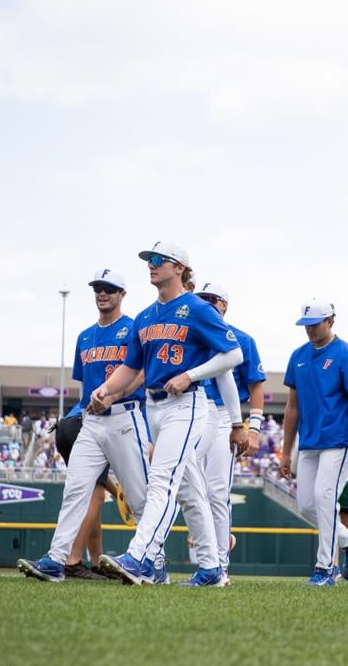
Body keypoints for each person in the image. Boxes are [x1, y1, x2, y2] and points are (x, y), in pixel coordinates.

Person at [94, 242, 247, 587]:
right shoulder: (146, 315)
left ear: (180, 268)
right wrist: (106, 390)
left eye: (158, 260)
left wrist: (191, 375)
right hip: (154, 406)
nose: (151, 264)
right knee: (191, 491)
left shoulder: (196, 307)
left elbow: (233, 355)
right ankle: (210, 569)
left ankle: (140, 557)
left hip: (186, 405)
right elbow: (131, 367)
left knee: (161, 480)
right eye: (149, 259)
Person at [18, 269, 149, 582]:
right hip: (91, 420)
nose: (103, 294)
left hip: (124, 417)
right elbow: (85, 385)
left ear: (123, 294)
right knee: (75, 490)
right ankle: (56, 559)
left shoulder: (133, 328)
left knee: (140, 496)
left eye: (110, 289)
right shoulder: (84, 336)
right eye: (98, 288)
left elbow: (142, 372)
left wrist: (115, 393)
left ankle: (149, 559)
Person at [278, 299, 348, 586]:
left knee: (324, 498)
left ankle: (324, 568)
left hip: (338, 441)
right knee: (306, 506)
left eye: (315, 324)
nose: (310, 330)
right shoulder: (298, 355)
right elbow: (291, 408)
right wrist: (285, 452)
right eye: (306, 325)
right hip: (309, 443)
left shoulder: (347, 354)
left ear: (330, 320)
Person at [195, 282, 266, 584]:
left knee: (217, 491)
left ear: (225, 305)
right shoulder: (193, 335)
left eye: (213, 300)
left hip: (227, 415)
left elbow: (256, 384)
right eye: (203, 299)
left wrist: (254, 427)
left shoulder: (242, 338)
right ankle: (212, 552)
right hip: (197, 411)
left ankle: (220, 563)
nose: (208, 304)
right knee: (193, 490)